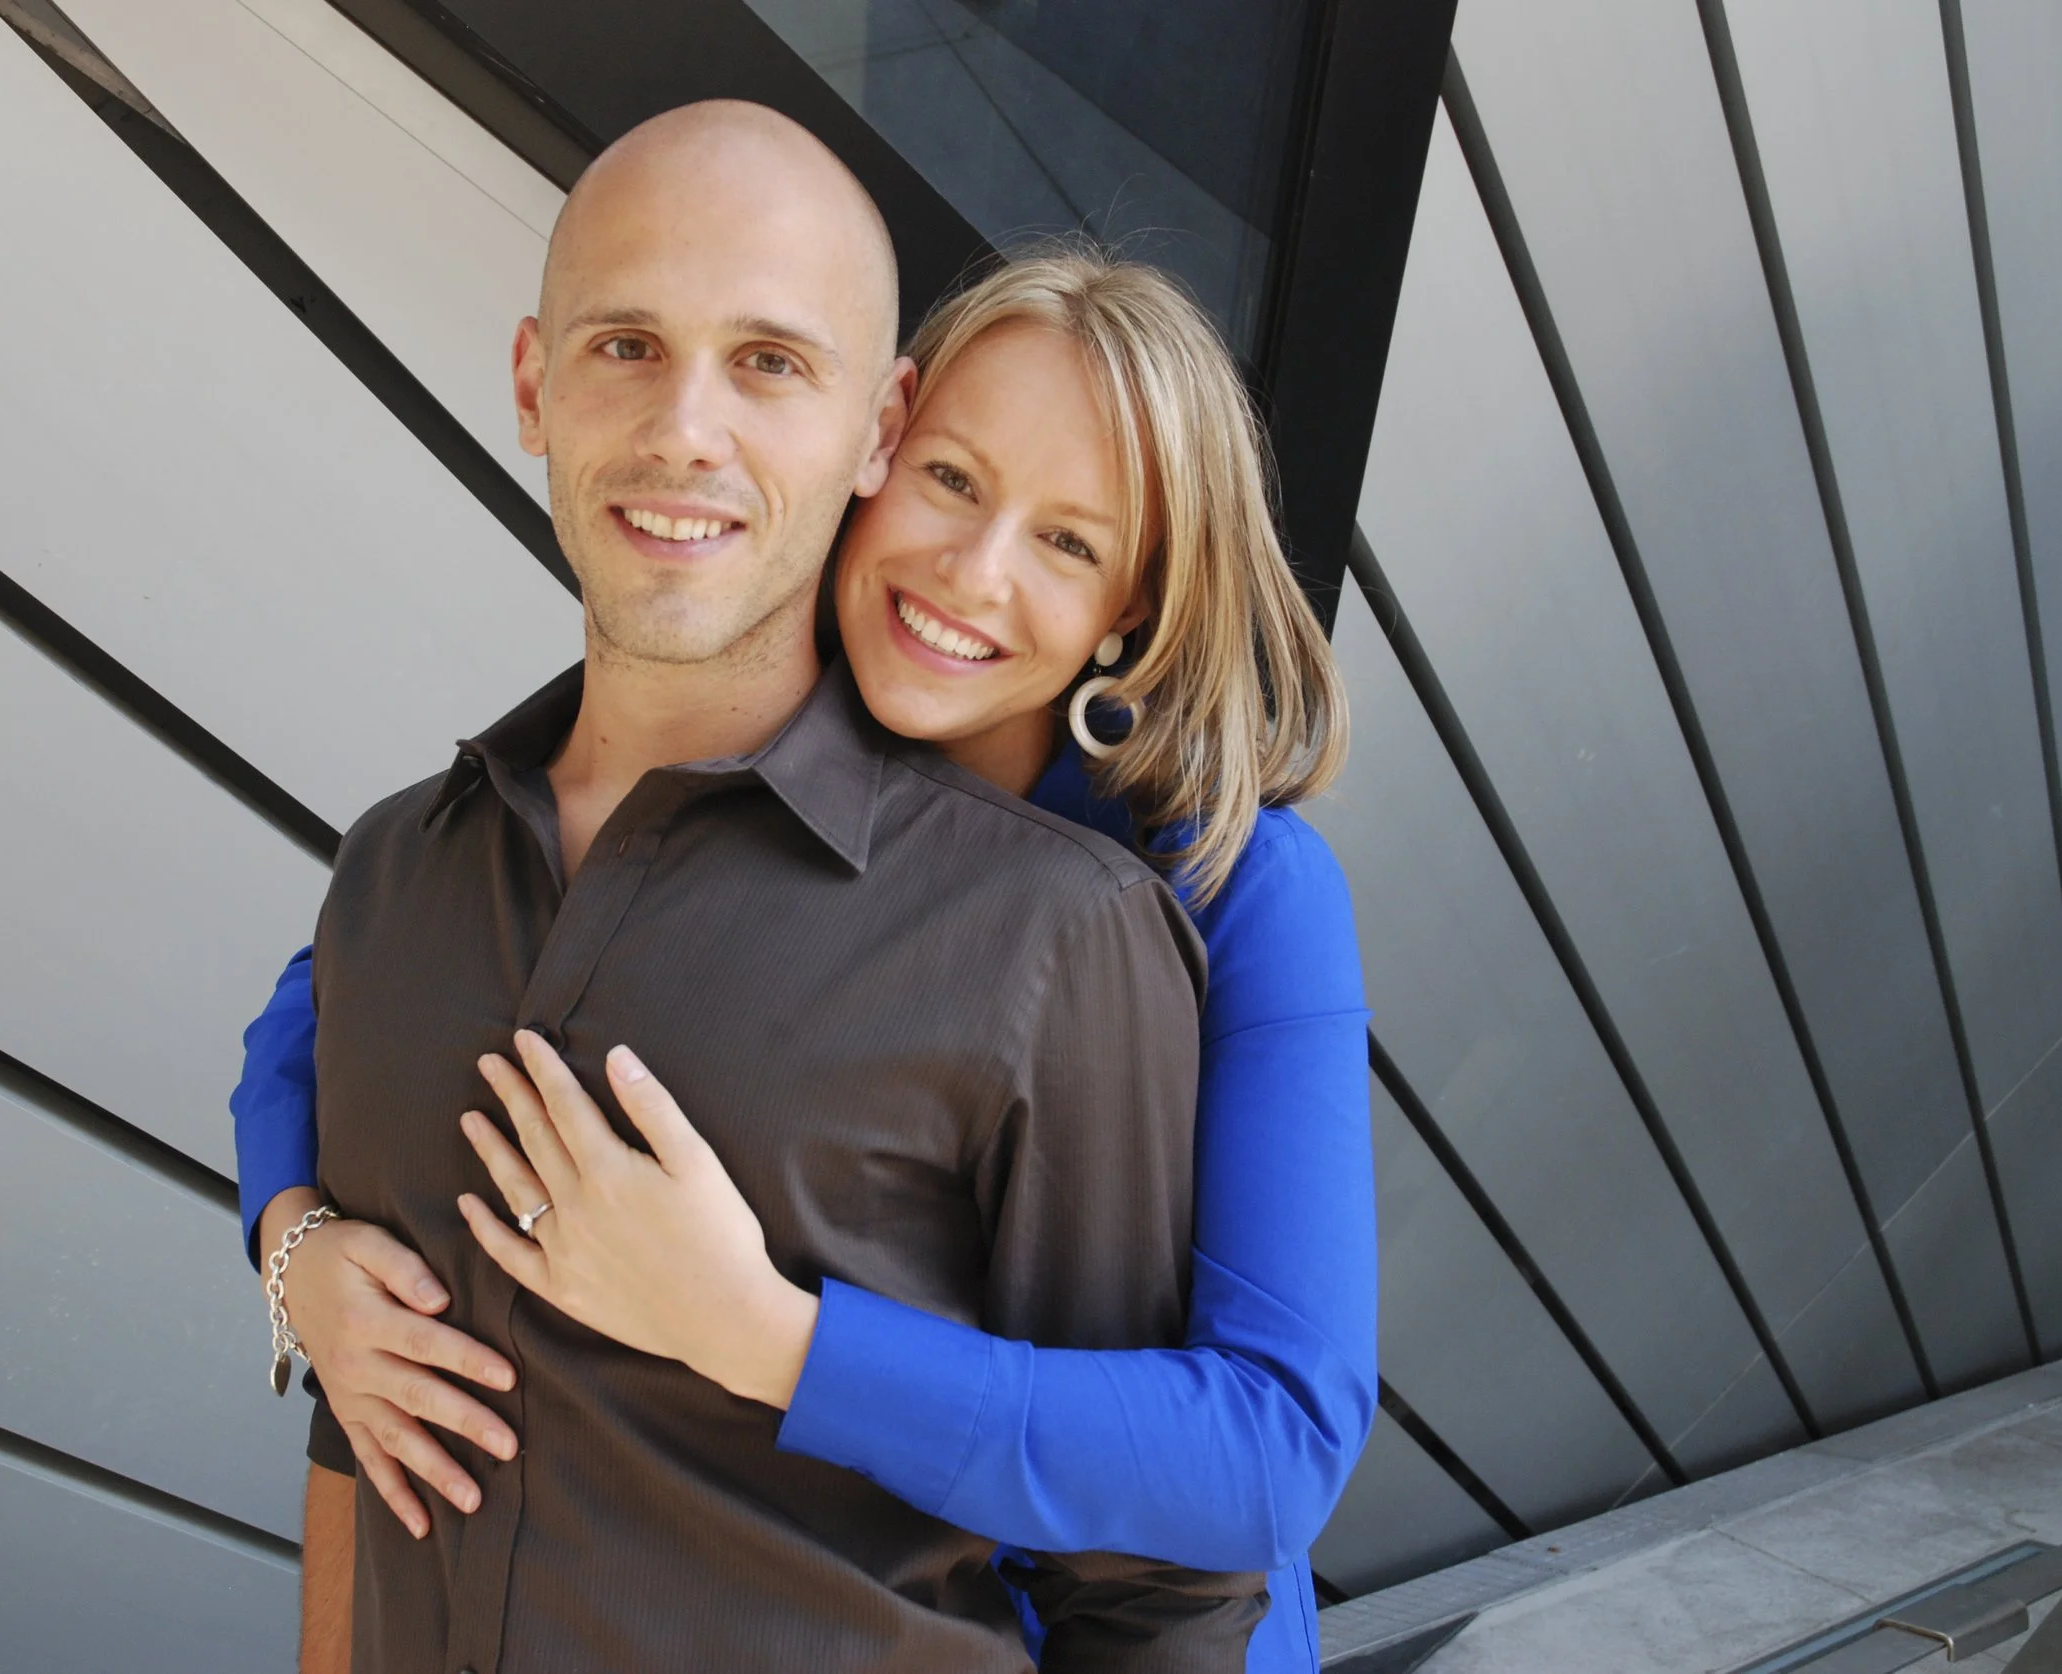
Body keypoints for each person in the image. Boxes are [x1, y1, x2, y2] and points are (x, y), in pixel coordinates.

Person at [239, 175, 1374, 1674]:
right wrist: (295, 1244)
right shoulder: (707, 767)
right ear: (882, 451)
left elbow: (1267, 1451)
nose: (973, 576)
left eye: (1069, 544)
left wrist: (769, 1333)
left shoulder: (1205, 888)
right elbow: (332, 1011)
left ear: (1132, 611)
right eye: (956, 483)